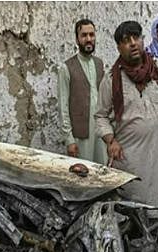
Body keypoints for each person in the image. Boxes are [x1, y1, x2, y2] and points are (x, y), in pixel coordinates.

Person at [95, 20, 158, 216]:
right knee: (132, 210)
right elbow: (100, 116)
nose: (133, 43)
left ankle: (155, 234)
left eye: (136, 38)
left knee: (157, 205)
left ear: (142, 40)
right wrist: (111, 140)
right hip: (129, 157)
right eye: (126, 41)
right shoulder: (111, 79)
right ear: (119, 47)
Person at [57, 19, 107, 164]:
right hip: (80, 136)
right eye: (84, 35)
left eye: (91, 34)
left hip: (100, 132)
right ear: (77, 39)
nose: (88, 39)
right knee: (82, 171)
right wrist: (69, 140)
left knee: (102, 170)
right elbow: (63, 107)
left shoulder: (99, 64)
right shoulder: (66, 68)